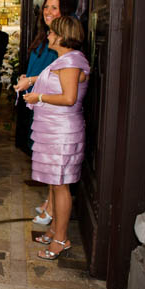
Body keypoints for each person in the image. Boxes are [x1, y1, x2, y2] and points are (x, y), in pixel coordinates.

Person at [15, 16, 90, 260]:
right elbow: (53, 79)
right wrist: (31, 81)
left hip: (62, 132)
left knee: (60, 185)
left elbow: (69, 97)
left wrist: (39, 98)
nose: (47, 36)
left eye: (51, 32)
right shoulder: (64, 60)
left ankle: (61, 239)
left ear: (61, 35)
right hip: (53, 129)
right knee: (55, 185)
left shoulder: (71, 61)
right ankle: (55, 229)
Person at [19, 0, 79, 222]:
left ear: (64, 12)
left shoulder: (65, 45)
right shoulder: (45, 36)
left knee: (55, 162)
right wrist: (28, 76)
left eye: (54, 8)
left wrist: (33, 82)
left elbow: (56, 77)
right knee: (45, 157)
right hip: (39, 103)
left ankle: (53, 207)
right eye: (46, 7)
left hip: (53, 109)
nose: (48, 12)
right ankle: (49, 200)